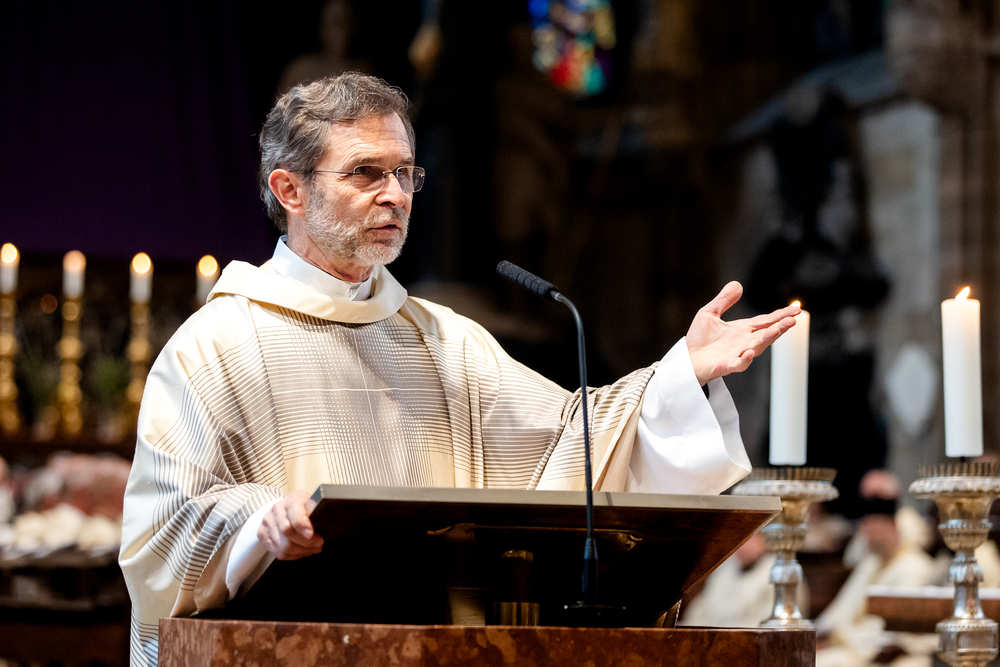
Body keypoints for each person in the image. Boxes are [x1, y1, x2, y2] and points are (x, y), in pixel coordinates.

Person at [119, 72, 800, 666]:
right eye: (366, 172)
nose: (396, 194)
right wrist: (260, 521)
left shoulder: (444, 341)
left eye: (405, 172)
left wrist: (681, 374)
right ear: (289, 189)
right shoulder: (215, 346)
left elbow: (571, 442)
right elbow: (167, 527)